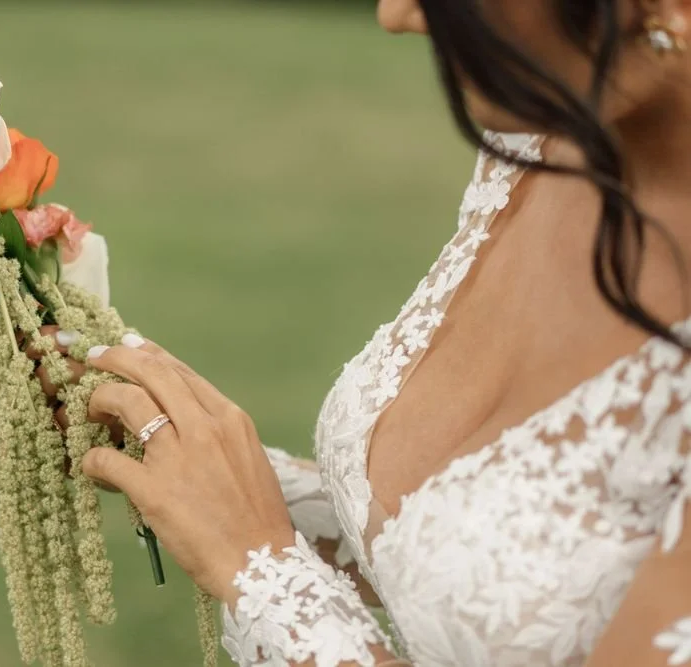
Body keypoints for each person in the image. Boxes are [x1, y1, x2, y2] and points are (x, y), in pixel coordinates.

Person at [35, 0, 691, 664]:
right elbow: (474, 559)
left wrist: (261, 570)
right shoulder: (542, 133)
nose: (396, 13)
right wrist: (205, 463)